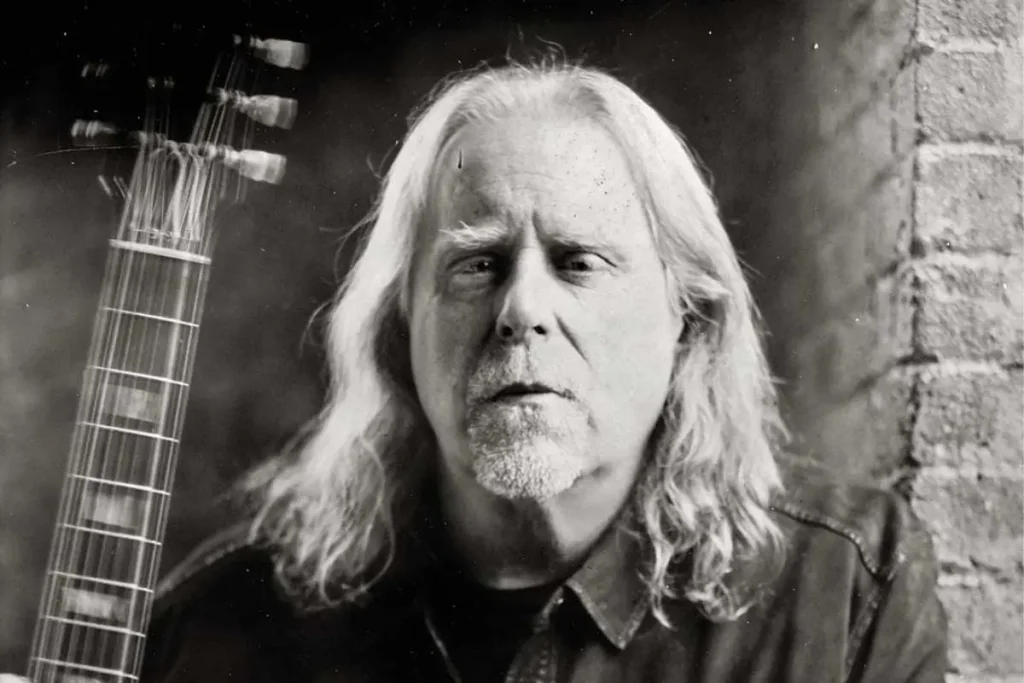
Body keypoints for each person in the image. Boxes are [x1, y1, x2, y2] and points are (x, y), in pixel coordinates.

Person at [4, 58, 947, 683]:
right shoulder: (214, 627)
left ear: (687, 320)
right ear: (396, 329)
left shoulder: (839, 599)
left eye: (579, 260)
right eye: (475, 262)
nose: (523, 309)